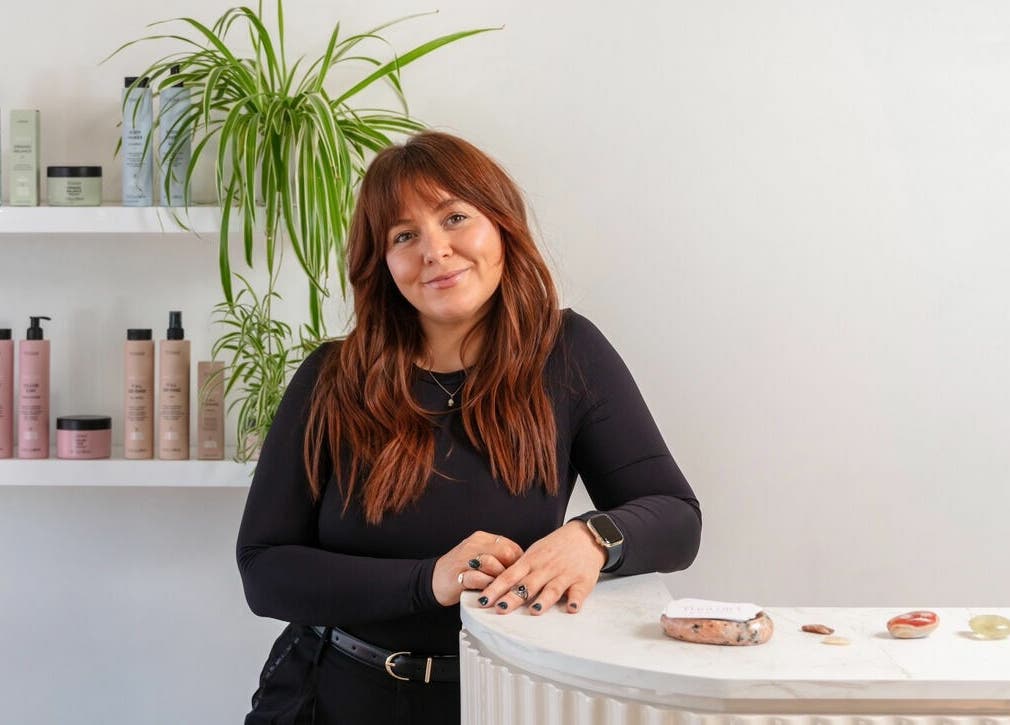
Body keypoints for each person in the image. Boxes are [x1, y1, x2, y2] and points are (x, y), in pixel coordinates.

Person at [236, 131, 702, 725]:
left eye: (455, 217)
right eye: (404, 236)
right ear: (382, 264)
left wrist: (593, 538)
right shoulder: (331, 379)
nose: (435, 250)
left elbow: (677, 517)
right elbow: (263, 568)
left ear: (501, 227)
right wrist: (428, 580)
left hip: (500, 698)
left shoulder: (568, 354)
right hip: (327, 695)